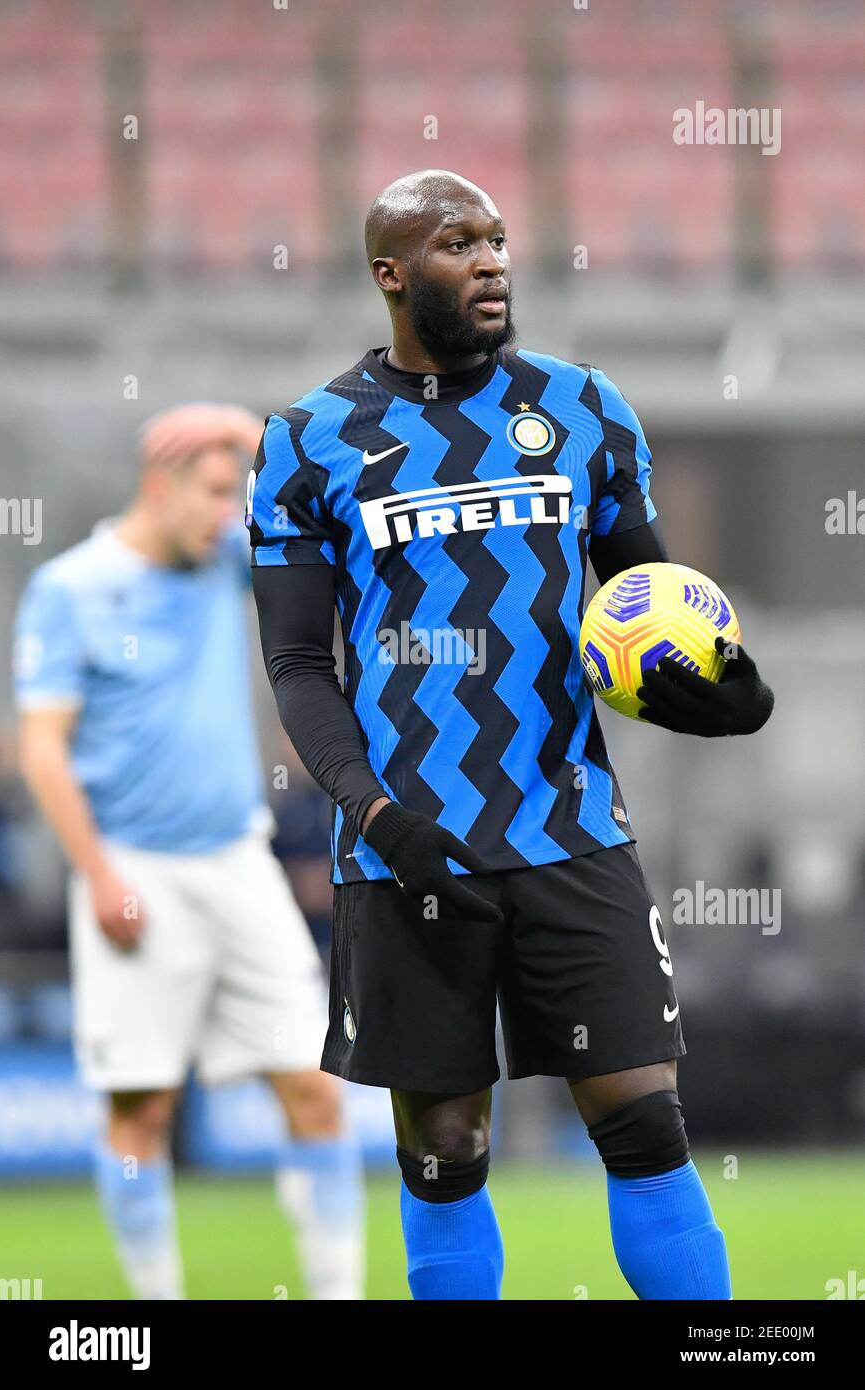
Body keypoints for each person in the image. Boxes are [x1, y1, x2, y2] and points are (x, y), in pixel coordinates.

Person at [248, 170, 774, 1301]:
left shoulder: (582, 407)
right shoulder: (306, 441)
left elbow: (652, 602)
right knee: (444, 1152)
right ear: (391, 273)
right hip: (402, 849)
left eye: (495, 239)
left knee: (645, 1127)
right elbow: (297, 665)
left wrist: (730, 691)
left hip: (569, 824)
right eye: (456, 244)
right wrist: (375, 810)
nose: (490, 261)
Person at [13, 404, 364, 1300]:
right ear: (158, 482)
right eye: (211, 493)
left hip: (238, 863)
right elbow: (41, 747)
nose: (226, 513)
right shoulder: (73, 588)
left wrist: (254, 441)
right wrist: (96, 874)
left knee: (317, 1088)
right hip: (133, 869)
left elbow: (303, 518)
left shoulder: (224, 563)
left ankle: (339, 1294)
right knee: (142, 1110)